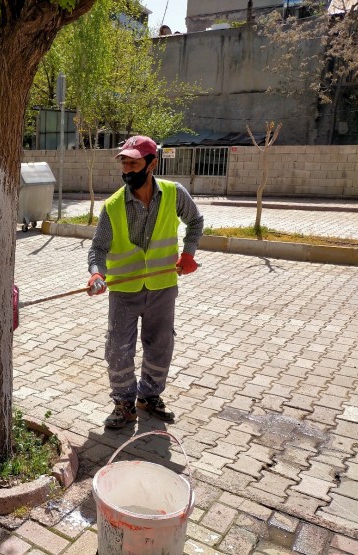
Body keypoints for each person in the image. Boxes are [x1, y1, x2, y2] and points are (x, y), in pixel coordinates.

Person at [87, 135, 204, 428]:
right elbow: (98, 247)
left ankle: (149, 396)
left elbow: (196, 221)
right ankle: (124, 402)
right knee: (118, 348)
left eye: (134, 163)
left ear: (151, 164)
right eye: (124, 163)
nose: (127, 169)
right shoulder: (113, 205)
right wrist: (96, 272)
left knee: (161, 344)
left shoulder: (174, 193)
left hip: (162, 286)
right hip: (124, 290)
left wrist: (188, 254)